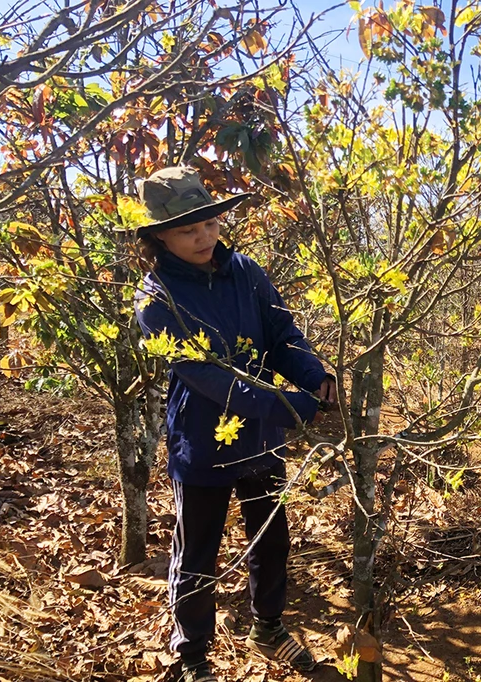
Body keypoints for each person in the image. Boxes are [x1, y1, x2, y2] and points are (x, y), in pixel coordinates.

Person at [132, 166, 337, 682]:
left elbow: (280, 331)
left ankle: (267, 627)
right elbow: (206, 378)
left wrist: (316, 378)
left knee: (271, 537)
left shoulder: (246, 271)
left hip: (262, 439)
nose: (203, 236)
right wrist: (292, 409)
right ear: (159, 235)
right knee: (197, 549)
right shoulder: (158, 299)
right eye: (186, 229)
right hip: (202, 442)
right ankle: (192, 656)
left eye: (209, 222)